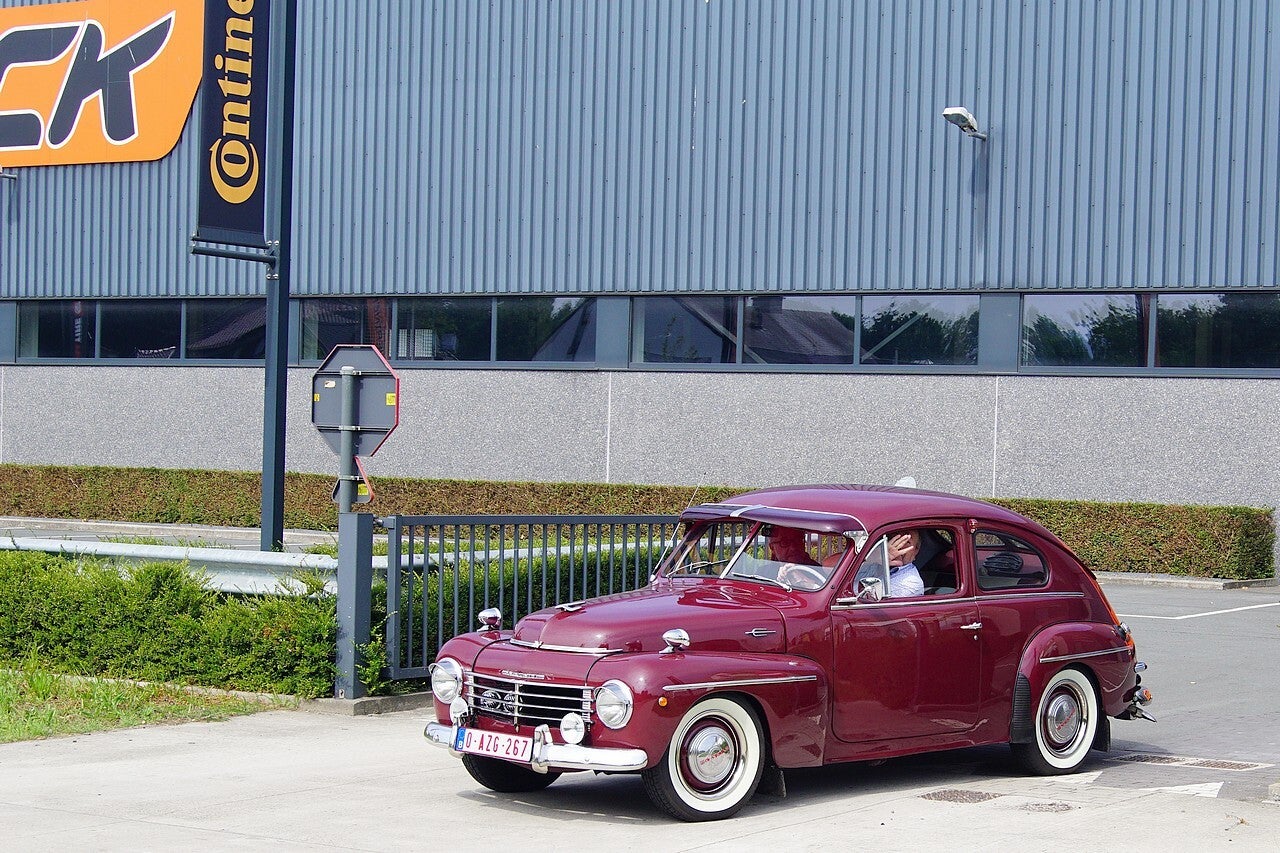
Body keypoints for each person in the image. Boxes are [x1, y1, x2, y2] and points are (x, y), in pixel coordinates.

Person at [883, 530, 926, 597]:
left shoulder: (912, 583)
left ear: (916, 551)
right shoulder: (876, 561)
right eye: (895, 537)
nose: (898, 546)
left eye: (907, 541)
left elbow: (872, 598)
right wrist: (881, 559)